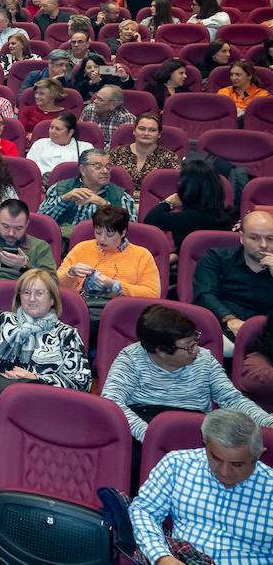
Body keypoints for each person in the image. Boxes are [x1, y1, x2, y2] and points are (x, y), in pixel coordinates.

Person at [101, 304, 273, 442]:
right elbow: (112, 402)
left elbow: (231, 398)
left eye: (196, 341)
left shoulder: (205, 359)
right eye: (189, 347)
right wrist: (149, 435)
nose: (197, 350)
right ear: (160, 350)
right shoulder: (131, 358)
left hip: (193, 428)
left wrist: (267, 421)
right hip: (143, 426)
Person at [128, 408, 273, 565]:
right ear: (206, 445)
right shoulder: (177, 465)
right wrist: (161, 557)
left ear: (258, 455)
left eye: (237, 464)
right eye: (215, 458)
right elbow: (144, 511)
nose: (224, 472)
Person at [0, 269, 90, 395]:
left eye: (39, 293)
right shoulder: (3, 320)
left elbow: (81, 381)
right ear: (19, 297)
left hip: (40, 400)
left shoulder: (67, 334)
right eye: (26, 293)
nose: (32, 299)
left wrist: (34, 380)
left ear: (52, 299)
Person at [192, 210, 273, 353]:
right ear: (242, 238)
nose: (264, 245)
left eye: (270, 239)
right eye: (254, 238)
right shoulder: (216, 258)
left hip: (266, 334)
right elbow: (205, 294)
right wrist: (230, 319)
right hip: (223, 327)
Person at [58, 204, 160, 310]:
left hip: (123, 311)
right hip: (84, 309)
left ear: (123, 232)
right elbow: (55, 285)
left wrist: (115, 286)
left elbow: (153, 295)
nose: (102, 239)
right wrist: (70, 273)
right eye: (98, 232)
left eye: (109, 235)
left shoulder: (142, 255)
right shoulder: (81, 248)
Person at [39, 147, 137, 241]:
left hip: (103, 247)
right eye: (98, 167)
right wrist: (63, 199)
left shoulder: (121, 196)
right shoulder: (60, 188)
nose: (105, 171)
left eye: (108, 167)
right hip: (64, 245)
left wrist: (105, 205)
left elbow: (131, 231)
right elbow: (41, 222)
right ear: (82, 170)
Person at [143, 158, 236, 252]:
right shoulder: (225, 215)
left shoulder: (188, 218)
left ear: (188, 187)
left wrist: (169, 202)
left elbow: (151, 219)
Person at [25, 111, 95, 178]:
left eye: (58, 129)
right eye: (51, 127)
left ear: (70, 132)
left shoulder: (85, 148)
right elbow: (29, 168)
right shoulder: (39, 144)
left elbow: (89, 172)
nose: (52, 131)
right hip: (41, 184)